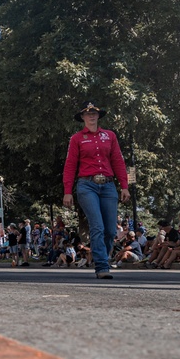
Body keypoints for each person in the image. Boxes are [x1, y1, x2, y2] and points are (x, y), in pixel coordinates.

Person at [62, 101, 130, 279]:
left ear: (98, 116)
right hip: (87, 185)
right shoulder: (77, 139)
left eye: (94, 113)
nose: (91, 116)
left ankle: (103, 256)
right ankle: (102, 266)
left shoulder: (110, 136)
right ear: (82, 117)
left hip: (108, 185)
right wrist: (67, 190)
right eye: (88, 113)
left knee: (109, 230)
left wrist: (124, 186)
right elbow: (70, 165)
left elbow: (118, 161)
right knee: (97, 226)